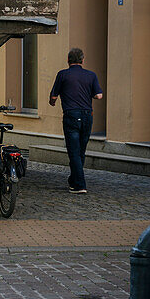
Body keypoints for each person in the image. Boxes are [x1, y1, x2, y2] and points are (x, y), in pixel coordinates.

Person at [49, 47, 103, 194]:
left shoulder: (62, 75)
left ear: (68, 60)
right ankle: (74, 181)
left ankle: (80, 185)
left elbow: (53, 97)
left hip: (71, 115)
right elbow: (99, 96)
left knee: (73, 151)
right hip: (87, 115)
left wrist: (53, 102)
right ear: (83, 60)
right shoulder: (91, 75)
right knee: (81, 151)